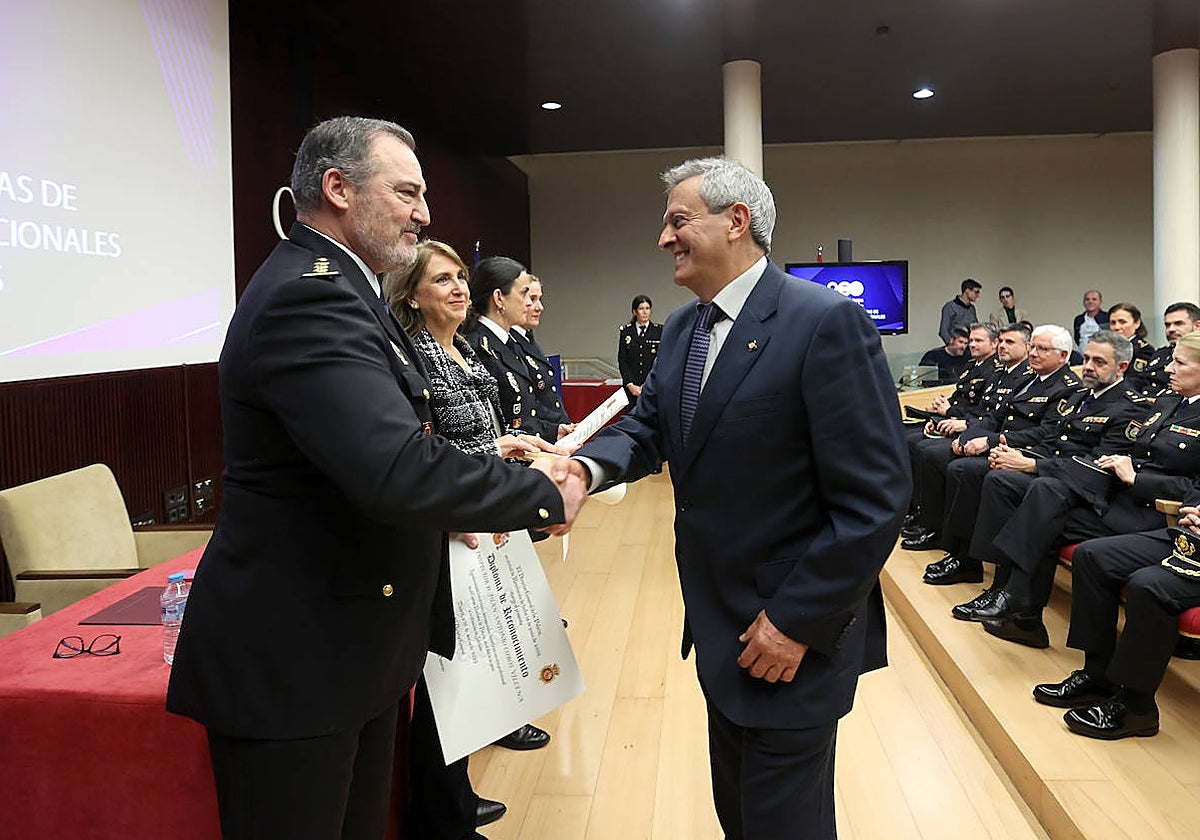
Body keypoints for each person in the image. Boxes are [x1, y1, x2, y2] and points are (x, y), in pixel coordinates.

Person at [165, 117, 584, 840]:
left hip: (350, 650)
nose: (424, 214)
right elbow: (393, 467)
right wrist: (546, 492)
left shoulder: (346, 289)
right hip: (297, 663)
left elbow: (366, 461)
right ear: (337, 188)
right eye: (407, 193)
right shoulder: (312, 294)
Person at [568, 157, 910, 839]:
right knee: (743, 816)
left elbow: (877, 498)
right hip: (721, 628)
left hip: (788, 638)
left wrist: (796, 623)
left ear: (737, 220)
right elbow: (649, 427)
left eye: (677, 220)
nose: (663, 238)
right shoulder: (683, 328)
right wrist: (584, 472)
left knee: (783, 824)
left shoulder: (824, 323)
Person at [384, 240, 564, 839]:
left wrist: (505, 447)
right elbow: (427, 452)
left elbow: (475, 435)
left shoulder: (462, 350)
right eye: (442, 280)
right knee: (448, 675)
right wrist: (492, 454)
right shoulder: (414, 358)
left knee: (478, 666)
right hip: (452, 525)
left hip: (483, 517)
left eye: (462, 277)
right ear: (413, 294)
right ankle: (443, 811)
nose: (460, 288)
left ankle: (457, 797)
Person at [963, 332, 1200, 648]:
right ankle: (1019, 610)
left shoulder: (1137, 404)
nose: (1168, 367)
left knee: (1046, 499)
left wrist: (1135, 478)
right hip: (1120, 499)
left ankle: (1020, 609)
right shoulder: (1170, 401)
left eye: (1179, 362)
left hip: (1155, 515)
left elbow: (1188, 485)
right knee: (1044, 508)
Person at [921, 325, 1083, 585]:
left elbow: (1045, 433)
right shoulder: (1029, 379)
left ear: (1063, 356)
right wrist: (967, 437)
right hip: (1002, 446)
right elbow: (997, 416)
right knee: (950, 460)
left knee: (965, 470)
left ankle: (973, 561)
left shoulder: (1068, 388)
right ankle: (957, 551)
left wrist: (990, 441)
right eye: (1033, 347)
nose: (1035, 353)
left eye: (1043, 349)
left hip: (1022, 452)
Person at [1032, 506, 1200, 740]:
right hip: (1191, 539)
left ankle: (1137, 707)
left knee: (1148, 586)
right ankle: (1097, 677)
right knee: (1091, 555)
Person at [465, 257, 571, 443]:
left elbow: (527, 411)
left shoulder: (509, 342)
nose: (529, 304)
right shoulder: (478, 347)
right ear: (499, 298)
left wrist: (553, 431)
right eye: (524, 295)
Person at [511, 274, 573, 433]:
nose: (539, 307)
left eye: (539, 299)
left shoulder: (527, 338)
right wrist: (555, 430)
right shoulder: (509, 343)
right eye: (531, 299)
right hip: (539, 434)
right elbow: (528, 403)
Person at [1127, 301, 1200, 396]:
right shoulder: (1161, 354)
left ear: (1197, 326)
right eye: (1167, 325)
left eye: (1178, 323)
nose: (1171, 329)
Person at [618, 294, 663, 405]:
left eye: (647, 308)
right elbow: (623, 360)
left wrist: (649, 384)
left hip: (652, 387)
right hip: (632, 388)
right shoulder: (626, 332)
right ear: (634, 312)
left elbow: (662, 360)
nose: (645, 312)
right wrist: (630, 384)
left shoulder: (659, 331)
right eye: (641, 308)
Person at [1106, 302, 1154, 368]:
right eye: (1113, 323)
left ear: (1137, 323)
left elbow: (1136, 377)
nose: (1116, 327)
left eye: (1122, 322)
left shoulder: (1144, 350)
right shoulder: (1107, 348)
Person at [938, 278, 982, 344]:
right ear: (967, 291)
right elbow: (943, 331)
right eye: (976, 292)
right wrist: (953, 345)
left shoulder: (972, 308)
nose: (978, 296)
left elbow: (975, 327)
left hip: (970, 346)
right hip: (955, 348)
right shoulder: (950, 307)